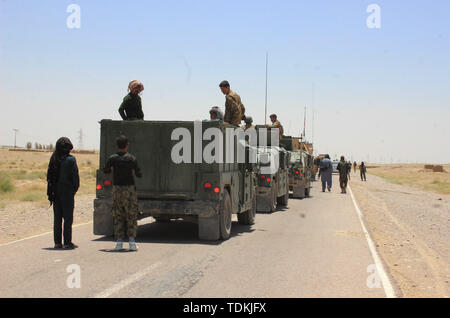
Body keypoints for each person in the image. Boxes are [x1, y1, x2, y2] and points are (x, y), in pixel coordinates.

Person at [103, 135, 142, 251]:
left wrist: (111, 169)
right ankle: (132, 242)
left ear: (117, 146)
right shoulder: (132, 159)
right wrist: (134, 171)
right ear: (127, 145)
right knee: (131, 215)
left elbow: (105, 170)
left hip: (117, 189)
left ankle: (119, 242)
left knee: (118, 215)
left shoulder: (113, 158)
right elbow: (139, 174)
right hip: (129, 189)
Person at [47, 137, 79, 249]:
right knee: (68, 218)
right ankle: (67, 242)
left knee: (57, 217)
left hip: (55, 191)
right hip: (67, 191)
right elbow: (75, 178)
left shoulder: (54, 158)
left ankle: (57, 242)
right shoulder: (70, 160)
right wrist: (73, 190)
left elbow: (49, 176)